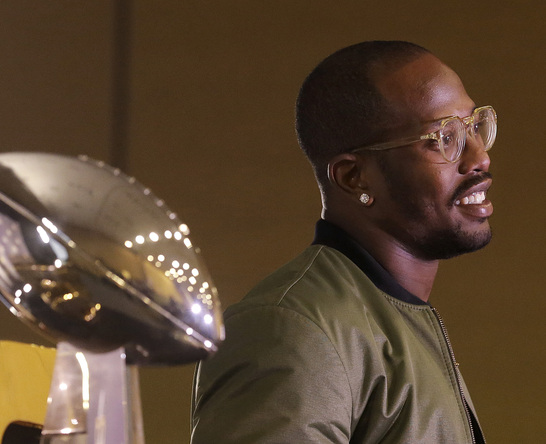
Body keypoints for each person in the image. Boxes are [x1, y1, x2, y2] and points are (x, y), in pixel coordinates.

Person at [190, 41, 494, 443]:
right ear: (355, 178)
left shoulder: (394, 316)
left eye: (473, 126)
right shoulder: (291, 330)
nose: (479, 158)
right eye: (443, 137)